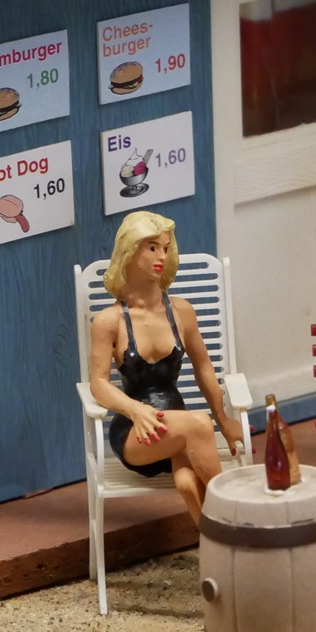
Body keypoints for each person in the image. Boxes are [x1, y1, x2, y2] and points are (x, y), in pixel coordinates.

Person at [87, 210, 242, 524]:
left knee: (187, 483)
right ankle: (236, 512)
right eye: (152, 247)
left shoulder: (181, 311)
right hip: (136, 433)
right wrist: (134, 410)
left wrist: (224, 419)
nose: (162, 256)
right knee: (199, 424)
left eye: (166, 248)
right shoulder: (109, 320)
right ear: (130, 251)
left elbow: (203, 368)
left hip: (178, 429)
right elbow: (98, 383)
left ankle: (217, 540)